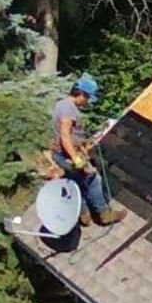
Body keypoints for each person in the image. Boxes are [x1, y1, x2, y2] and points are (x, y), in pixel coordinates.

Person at [52, 75, 122, 225]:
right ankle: (104, 214)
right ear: (81, 94)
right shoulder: (69, 109)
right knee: (93, 179)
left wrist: (83, 144)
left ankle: (84, 214)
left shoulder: (62, 104)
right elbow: (65, 136)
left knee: (76, 181)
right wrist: (75, 158)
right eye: (87, 98)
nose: (87, 102)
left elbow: (70, 134)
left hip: (61, 153)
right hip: (67, 155)